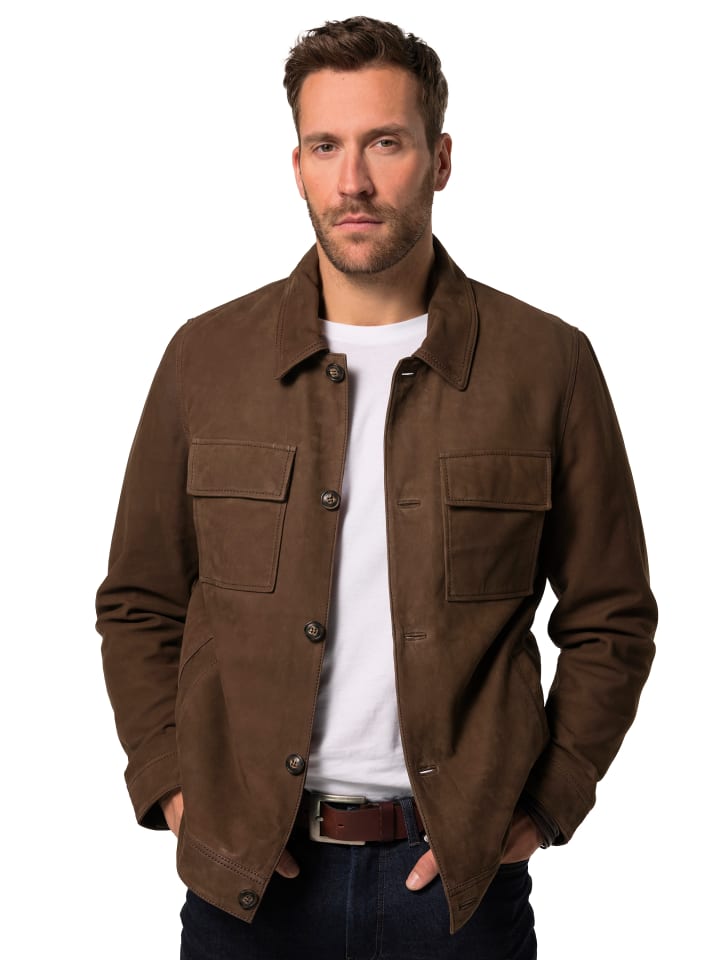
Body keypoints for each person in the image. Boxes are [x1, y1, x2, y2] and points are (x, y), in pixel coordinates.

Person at [96, 15, 657, 960]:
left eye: (385, 143)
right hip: (246, 888)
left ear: (441, 160)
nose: (352, 180)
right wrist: (173, 785)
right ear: (297, 165)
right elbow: (140, 602)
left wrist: (550, 800)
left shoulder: (547, 365)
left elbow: (612, 618)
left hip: (458, 894)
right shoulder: (206, 359)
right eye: (326, 146)